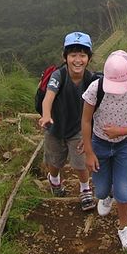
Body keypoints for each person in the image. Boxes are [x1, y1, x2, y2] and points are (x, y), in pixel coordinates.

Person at [81, 49, 127, 249]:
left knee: (124, 192)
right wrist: (88, 151)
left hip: (124, 145)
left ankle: (124, 228)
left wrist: (121, 131)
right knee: (101, 190)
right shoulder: (96, 88)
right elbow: (86, 120)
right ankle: (108, 195)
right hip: (100, 143)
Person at [38, 31, 97, 211]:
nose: (77, 60)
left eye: (82, 55)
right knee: (55, 162)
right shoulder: (59, 76)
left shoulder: (91, 79)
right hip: (55, 127)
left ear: (88, 58)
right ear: (65, 57)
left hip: (78, 128)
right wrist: (46, 115)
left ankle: (85, 189)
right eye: (73, 55)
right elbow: (48, 97)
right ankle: (54, 180)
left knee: (80, 162)